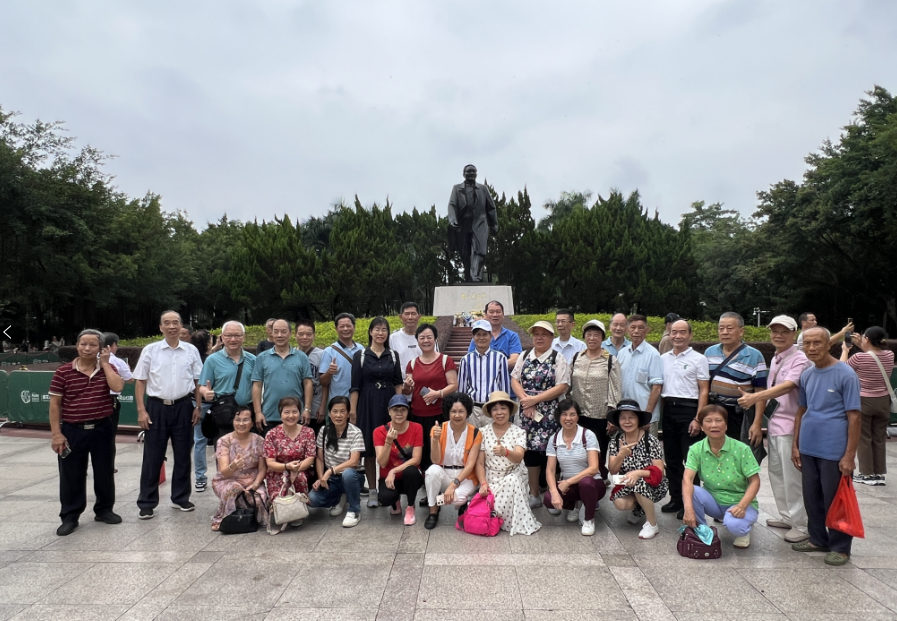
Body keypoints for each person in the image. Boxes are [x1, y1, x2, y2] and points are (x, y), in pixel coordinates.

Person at [791, 327, 862, 565]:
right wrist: (795, 445)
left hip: (834, 450)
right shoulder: (807, 375)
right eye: (807, 343)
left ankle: (840, 547)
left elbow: (854, 416)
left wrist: (849, 456)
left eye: (817, 343)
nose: (811, 348)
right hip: (808, 447)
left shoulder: (846, 374)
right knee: (812, 497)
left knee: (836, 498)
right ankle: (817, 539)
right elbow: (802, 410)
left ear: (829, 344)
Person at [738, 315, 812, 543]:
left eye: (784, 332)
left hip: (790, 426)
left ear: (794, 333)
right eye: (775, 331)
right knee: (777, 474)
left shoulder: (800, 358)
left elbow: (788, 386)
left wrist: (754, 397)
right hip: (775, 424)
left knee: (792, 477)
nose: (778, 335)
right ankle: (788, 516)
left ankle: (802, 524)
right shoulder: (778, 357)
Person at [48, 329, 124, 536]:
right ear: (77, 345)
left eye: (92, 345)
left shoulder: (108, 368)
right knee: (71, 474)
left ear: (100, 348)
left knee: (104, 471)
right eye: (83, 344)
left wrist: (105, 364)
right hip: (72, 430)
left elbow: (118, 387)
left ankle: (104, 510)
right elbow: (55, 404)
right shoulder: (63, 372)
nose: (87, 348)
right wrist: (56, 434)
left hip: (102, 428)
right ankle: (70, 516)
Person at [134, 311, 203, 520]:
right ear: (160, 327)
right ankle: (147, 502)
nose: (171, 326)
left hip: (183, 406)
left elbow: (198, 381)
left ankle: (180, 497)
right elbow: (140, 380)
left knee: (183, 454)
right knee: (153, 456)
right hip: (156, 407)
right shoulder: (151, 350)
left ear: (181, 326)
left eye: (175, 323)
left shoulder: (191, 350)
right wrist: (141, 410)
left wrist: (198, 406)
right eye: (167, 323)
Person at [511, 320, 571, 509]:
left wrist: (535, 400)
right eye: (536, 334)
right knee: (530, 453)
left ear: (551, 338)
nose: (539, 337)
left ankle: (553, 494)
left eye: (544, 334)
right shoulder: (524, 355)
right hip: (527, 413)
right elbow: (515, 379)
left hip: (550, 414)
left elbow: (562, 386)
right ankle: (534, 493)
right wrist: (525, 400)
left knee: (551, 452)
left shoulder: (557, 358)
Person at [683, 404, 761, 549]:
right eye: (708, 421)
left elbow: (755, 481)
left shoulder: (741, 449)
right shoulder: (696, 449)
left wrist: (742, 506)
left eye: (718, 420)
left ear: (726, 425)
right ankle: (702, 530)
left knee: (735, 526)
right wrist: (688, 510)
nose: (714, 425)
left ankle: (744, 530)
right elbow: (687, 479)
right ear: (702, 426)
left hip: (740, 503)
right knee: (692, 490)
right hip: (714, 502)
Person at [659, 319, 710, 519]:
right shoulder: (663, 358)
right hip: (668, 410)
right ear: (669, 334)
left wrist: (698, 418)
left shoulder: (699, 359)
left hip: (689, 411)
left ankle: (692, 503)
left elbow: (704, 389)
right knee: (671, 459)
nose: (677, 336)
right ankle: (676, 499)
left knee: (690, 460)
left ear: (690, 335)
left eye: (682, 332)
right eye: (674, 332)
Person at [350, 316, 404, 507]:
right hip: (367, 403)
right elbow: (355, 386)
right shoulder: (361, 355)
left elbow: (398, 383)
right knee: (370, 449)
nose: (381, 333)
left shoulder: (393, 355)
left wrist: (400, 406)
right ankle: (372, 490)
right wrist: (353, 412)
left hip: (389, 403)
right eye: (377, 329)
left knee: (391, 444)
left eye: (384, 330)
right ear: (370, 332)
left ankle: (389, 487)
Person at [704, 312, 768, 464]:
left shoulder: (754, 355)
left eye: (729, 328)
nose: (725, 332)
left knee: (740, 459)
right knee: (716, 456)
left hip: (741, 414)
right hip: (715, 412)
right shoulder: (709, 352)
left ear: (741, 331)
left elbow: (760, 392)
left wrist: (757, 423)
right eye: (721, 328)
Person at [475, 391, 541, 535]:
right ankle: (495, 516)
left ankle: (499, 518)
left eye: (503, 408)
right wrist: (483, 483)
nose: (499, 412)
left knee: (511, 480)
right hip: (491, 477)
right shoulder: (482, 432)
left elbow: (518, 457)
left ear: (510, 411)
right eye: (495, 409)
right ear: (490, 413)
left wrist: (506, 452)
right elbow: (479, 463)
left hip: (513, 474)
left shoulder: (519, 432)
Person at [403, 323, 458, 483]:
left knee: (440, 449)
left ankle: (442, 482)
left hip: (440, 414)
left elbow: (454, 384)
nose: (426, 341)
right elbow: (407, 391)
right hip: (417, 415)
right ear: (417, 340)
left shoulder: (445, 360)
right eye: (422, 338)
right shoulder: (412, 364)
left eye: (429, 337)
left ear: (435, 339)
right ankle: (426, 484)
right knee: (422, 451)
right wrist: (407, 385)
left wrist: (438, 393)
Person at [568, 319, 621, 480]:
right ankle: (579, 481)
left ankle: (598, 482)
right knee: (579, 450)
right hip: (578, 415)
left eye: (596, 335)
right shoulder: (577, 357)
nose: (592, 338)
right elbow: (568, 384)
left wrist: (612, 416)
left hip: (600, 415)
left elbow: (615, 390)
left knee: (598, 451)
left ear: (602, 338)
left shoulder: (610, 360)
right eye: (589, 334)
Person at [607, 399, 668, 540]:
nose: (627, 421)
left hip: (652, 483)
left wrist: (638, 473)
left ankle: (652, 524)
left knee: (640, 482)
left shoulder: (650, 440)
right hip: (627, 484)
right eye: (623, 418)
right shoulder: (615, 441)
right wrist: (621, 455)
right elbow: (613, 470)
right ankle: (640, 508)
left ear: (638, 419)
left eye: (631, 417)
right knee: (620, 503)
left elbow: (659, 470)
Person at [841, 326, 894, 486]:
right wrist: (862, 345)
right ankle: (879, 473)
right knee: (879, 438)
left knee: (863, 437)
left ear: (867, 339)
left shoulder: (858, 358)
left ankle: (867, 474)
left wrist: (845, 350)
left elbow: (841, 369)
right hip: (883, 401)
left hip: (863, 400)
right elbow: (873, 355)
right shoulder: (889, 355)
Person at [543, 399, 605, 536]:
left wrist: (568, 482)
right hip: (570, 486)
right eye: (564, 414)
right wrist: (554, 492)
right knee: (548, 498)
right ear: (559, 416)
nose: (568, 418)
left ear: (578, 416)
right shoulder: (554, 439)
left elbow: (593, 468)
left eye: (572, 414)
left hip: (593, 484)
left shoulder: (587, 435)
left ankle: (589, 519)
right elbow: (550, 470)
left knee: (586, 482)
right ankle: (576, 504)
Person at [424, 392, 482, 529]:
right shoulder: (438, 429)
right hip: (444, 472)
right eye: (453, 411)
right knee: (432, 471)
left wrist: (453, 486)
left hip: (466, 476)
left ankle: (438, 500)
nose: (457, 415)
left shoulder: (476, 433)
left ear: (467, 412)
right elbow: (435, 460)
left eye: (461, 411)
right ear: (447, 412)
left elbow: (470, 465)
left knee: (458, 500)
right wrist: (435, 439)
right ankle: (433, 510)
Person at [198, 320, 257, 452]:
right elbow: (202, 386)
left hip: (247, 414)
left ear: (243, 337)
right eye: (229, 335)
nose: (233, 339)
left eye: (237, 335)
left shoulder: (253, 360)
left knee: (248, 455)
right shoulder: (212, 360)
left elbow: (258, 386)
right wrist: (205, 392)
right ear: (222, 337)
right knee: (224, 454)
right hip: (223, 414)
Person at [308, 396, 366, 528]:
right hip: (332, 479)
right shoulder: (324, 431)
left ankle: (354, 510)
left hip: (352, 477)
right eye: (334, 411)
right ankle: (340, 497)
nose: (338, 415)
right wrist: (321, 478)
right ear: (329, 413)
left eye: (342, 411)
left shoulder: (355, 432)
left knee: (348, 474)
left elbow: (354, 461)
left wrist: (330, 471)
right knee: (312, 499)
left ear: (348, 413)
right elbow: (319, 458)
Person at [251, 319, 313, 436]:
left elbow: (307, 383)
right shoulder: (262, 357)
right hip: (269, 415)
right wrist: (258, 412)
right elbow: (257, 386)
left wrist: (307, 409)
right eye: (276, 331)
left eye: (283, 331)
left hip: (295, 414)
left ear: (290, 333)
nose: (279, 335)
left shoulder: (301, 357)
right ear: (271, 333)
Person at [210, 407, 269, 531]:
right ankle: (224, 518)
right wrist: (234, 466)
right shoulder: (224, 441)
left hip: (252, 481)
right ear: (233, 421)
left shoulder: (259, 441)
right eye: (238, 420)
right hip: (228, 480)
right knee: (234, 489)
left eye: (246, 420)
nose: (241, 424)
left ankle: (244, 513)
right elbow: (224, 472)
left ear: (252, 423)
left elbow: (262, 469)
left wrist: (255, 485)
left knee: (259, 498)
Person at [263, 396, 317, 529]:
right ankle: (279, 506)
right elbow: (270, 462)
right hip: (278, 471)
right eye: (286, 412)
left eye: (294, 412)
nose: (291, 416)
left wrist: (295, 469)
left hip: (301, 469)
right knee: (280, 487)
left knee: (299, 477)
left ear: (300, 413)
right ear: (280, 414)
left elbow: (310, 458)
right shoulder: (272, 434)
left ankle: (297, 510)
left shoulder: (308, 432)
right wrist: (287, 467)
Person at [374, 395, 424, 525]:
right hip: (389, 479)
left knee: (411, 472)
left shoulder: (417, 428)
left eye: (403, 409)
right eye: (395, 410)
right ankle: (395, 501)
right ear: (389, 411)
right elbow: (382, 463)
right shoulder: (379, 431)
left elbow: (416, 459)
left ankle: (410, 506)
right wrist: (388, 441)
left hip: (409, 475)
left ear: (408, 411)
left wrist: (393, 471)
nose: (399, 413)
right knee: (385, 498)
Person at [447, 163, 499, 282]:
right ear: (463, 174)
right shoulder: (457, 188)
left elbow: (491, 208)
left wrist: (494, 225)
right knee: (464, 252)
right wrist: (453, 219)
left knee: (480, 250)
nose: (471, 173)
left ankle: (475, 275)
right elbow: (452, 205)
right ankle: (469, 275)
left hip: (479, 223)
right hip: (462, 224)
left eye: (473, 171)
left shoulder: (483, 189)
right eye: (469, 171)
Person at [457, 319, 511, 429]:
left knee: (493, 438)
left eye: (485, 334)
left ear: (490, 336)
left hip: (493, 408)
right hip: (473, 409)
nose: (481, 338)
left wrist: (504, 409)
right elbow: (462, 390)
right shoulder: (466, 360)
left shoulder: (500, 358)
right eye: (478, 334)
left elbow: (504, 387)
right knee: (472, 438)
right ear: (473, 337)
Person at [617, 315, 663, 436]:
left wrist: (647, 416)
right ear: (627, 330)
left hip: (644, 415)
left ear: (647, 330)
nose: (636, 331)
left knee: (647, 447)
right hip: (625, 415)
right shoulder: (622, 353)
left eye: (641, 328)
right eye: (633, 327)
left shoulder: (653, 355)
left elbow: (657, 388)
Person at [103, 332, 134, 471]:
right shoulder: (117, 362)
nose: (116, 348)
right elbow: (130, 379)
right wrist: (127, 370)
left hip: (91, 400)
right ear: (111, 346)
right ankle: (109, 466)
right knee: (109, 435)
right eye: (116, 345)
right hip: (110, 401)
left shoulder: (90, 359)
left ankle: (82, 468)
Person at [319, 313, 365, 401]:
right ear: (336, 329)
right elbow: (323, 382)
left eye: (348, 326)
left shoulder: (361, 349)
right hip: (338, 404)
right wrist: (329, 372)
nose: (345, 329)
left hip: (359, 401)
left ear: (354, 327)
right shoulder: (329, 351)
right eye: (342, 326)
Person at [466, 300, 523, 369]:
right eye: (491, 312)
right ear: (486, 315)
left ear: (503, 315)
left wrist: (491, 367)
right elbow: (470, 359)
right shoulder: (479, 337)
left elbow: (515, 360)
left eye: (498, 312)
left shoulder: (512, 336)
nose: (495, 315)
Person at [190, 330, 213, 493]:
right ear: (208, 343)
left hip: (195, 403)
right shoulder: (213, 360)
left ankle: (200, 478)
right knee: (221, 441)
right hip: (213, 404)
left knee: (199, 441)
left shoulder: (193, 359)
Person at [296, 319, 327, 430]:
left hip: (316, 407)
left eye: (308, 334)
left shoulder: (322, 355)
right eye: (301, 334)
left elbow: (325, 384)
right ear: (295, 335)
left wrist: (322, 406)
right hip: (295, 408)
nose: (305, 337)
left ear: (314, 335)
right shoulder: (291, 354)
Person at [390, 302, 425, 372]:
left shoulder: (427, 337)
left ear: (419, 316)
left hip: (424, 377)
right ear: (400, 317)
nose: (410, 317)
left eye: (413, 314)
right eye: (407, 314)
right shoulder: (393, 338)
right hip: (401, 378)